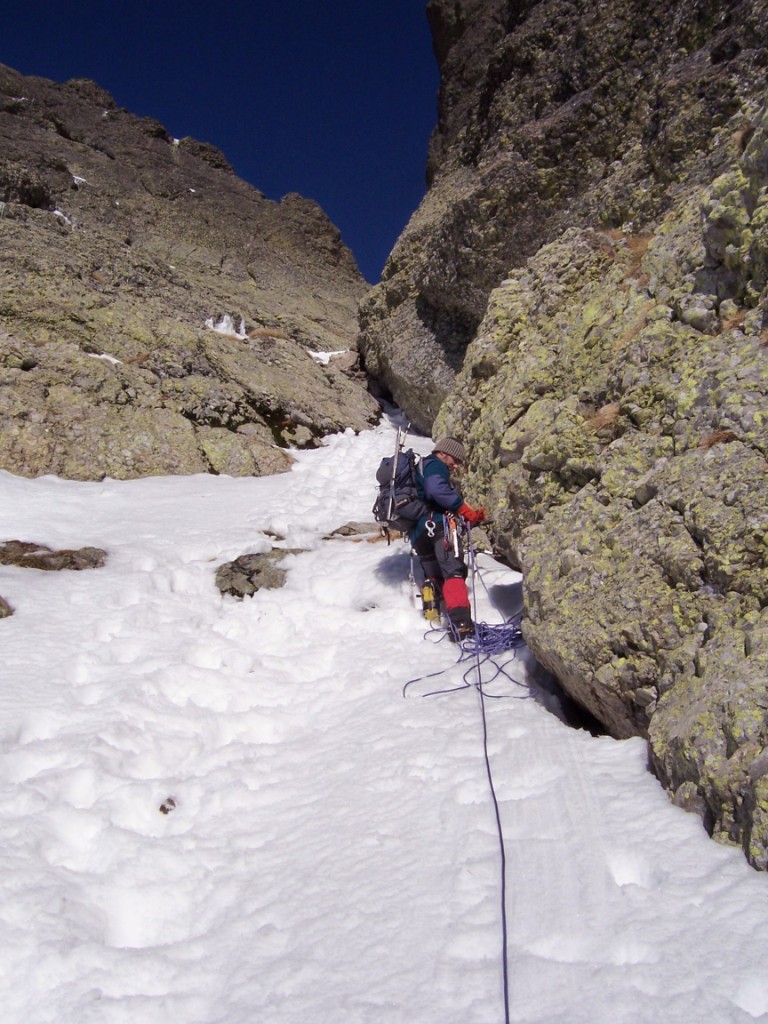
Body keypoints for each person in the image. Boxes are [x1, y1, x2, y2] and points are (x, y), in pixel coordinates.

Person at [408, 437, 486, 639]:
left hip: (418, 532)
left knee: (435, 574)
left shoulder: (420, 467)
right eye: (455, 460)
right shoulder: (436, 465)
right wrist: (464, 510)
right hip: (439, 527)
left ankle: (431, 607)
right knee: (454, 572)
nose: (456, 465)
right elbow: (436, 488)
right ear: (443, 453)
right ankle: (462, 625)